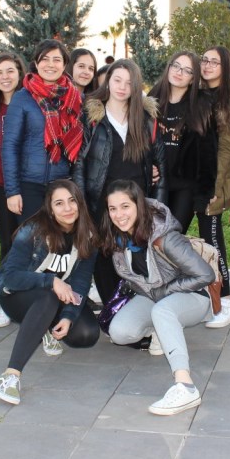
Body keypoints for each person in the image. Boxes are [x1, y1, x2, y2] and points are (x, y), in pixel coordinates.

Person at [102, 180, 214, 415]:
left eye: (125, 206)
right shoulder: (119, 239)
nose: (119, 215)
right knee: (120, 333)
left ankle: (185, 386)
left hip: (192, 296)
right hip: (154, 296)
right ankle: (162, 330)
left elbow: (205, 275)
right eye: (113, 209)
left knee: (163, 311)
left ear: (139, 205)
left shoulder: (164, 237)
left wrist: (165, 292)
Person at [0, 180, 100, 404]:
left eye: (72, 201)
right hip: (16, 296)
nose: (67, 208)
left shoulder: (87, 236)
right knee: (48, 295)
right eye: (59, 203)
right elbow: (10, 277)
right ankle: (10, 375)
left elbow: (80, 283)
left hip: (54, 297)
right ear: (50, 208)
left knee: (86, 334)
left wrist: (68, 316)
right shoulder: (32, 232)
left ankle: (46, 327)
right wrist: (50, 281)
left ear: (80, 203)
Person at [73, 59, 167, 304]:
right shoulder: (92, 118)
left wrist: (158, 209)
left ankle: (138, 311)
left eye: (129, 82)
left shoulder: (146, 119)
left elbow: (160, 167)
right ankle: (112, 310)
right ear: (108, 82)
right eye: (117, 80)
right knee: (104, 258)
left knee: (137, 259)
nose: (122, 87)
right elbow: (80, 163)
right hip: (102, 203)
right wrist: (83, 207)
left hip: (137, 203)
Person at [2, 39, 84, 223]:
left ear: (64, 64)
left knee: (60, 239)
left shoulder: (75, 98)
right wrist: (12, 191)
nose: (50, 64)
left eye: (56, 59)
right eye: (45, 59)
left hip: (63, 186)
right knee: (32, 238)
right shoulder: (22, 98)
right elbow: (10, 146)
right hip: (29, 185)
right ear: (36, 63)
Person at [148, 51, 217, 233]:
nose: (179, 72)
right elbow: (140, 141)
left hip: (185, 186)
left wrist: (205, 192)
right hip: (156, 182)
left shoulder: (201, 104)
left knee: (173, 237)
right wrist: (146, 166)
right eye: (176, 66)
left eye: (187, 70)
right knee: (151, 236)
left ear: (193, 78)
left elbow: (208, 151)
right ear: (169, 67)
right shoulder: (152, 99)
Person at [0, 52, 27, 327]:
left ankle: (31, 300)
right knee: (7, 244)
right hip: (0, 187)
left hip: (28, 186)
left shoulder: (29, 104)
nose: (5, 77)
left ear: (20, 73)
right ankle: (6, 300)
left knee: (30, 244)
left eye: (10, 70)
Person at [199, 46, 230, 328]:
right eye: (205, 60)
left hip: (214, 181)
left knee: (213, 240)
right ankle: (205, 299)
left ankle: (226, 301)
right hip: (193, 179)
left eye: (215, 62)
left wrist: (218, 185)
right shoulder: (198, 94)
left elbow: (227, 147)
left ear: (225, 67)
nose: (208, 65)